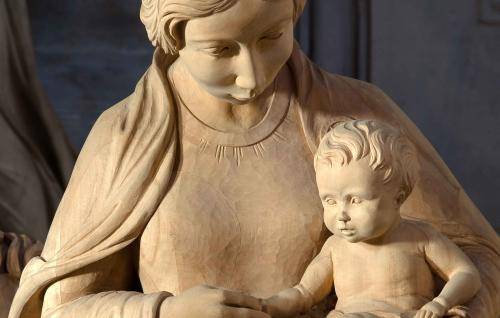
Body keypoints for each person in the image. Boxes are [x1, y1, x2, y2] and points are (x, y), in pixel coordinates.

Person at [9, 1, 500, 318]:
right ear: (173, 38)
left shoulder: (357, 114)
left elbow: (480, 261)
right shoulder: (125, 137)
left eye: (272, 36)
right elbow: (61, 309)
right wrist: (163, 313)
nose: (252, 74)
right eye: (220, 49)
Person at [263, 120, 482, 318]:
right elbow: (303, 293)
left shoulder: (420, 237)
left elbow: (466, 274)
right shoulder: (335, 248)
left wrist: (440, 303)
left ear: (398, 198)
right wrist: (265, 306)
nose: (341, 214)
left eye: (356, 200)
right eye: (330, 201)